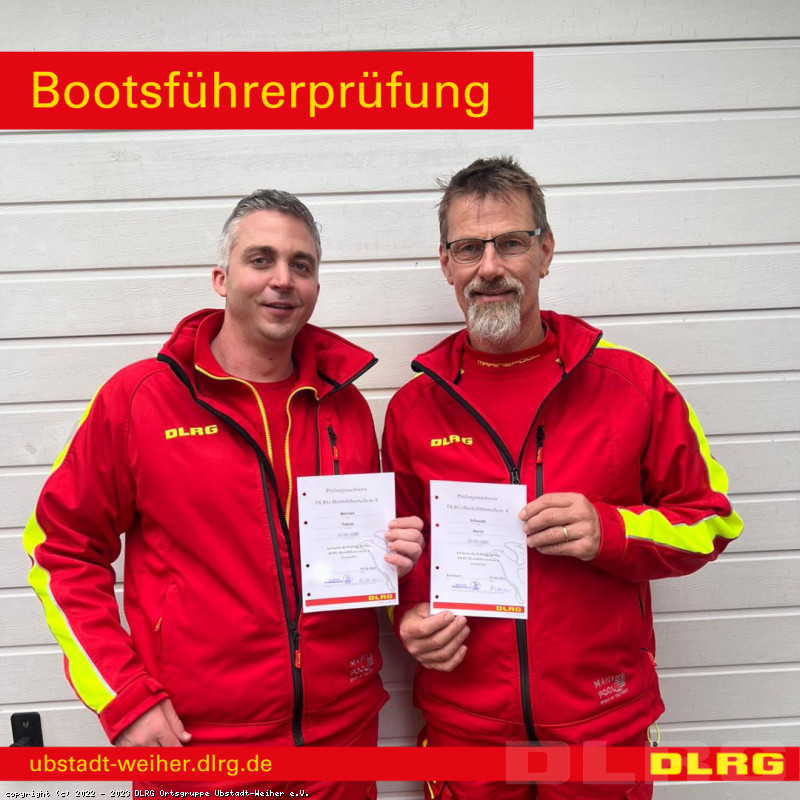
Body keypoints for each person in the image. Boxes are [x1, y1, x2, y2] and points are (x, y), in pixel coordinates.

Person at [24, 189, 423, 799]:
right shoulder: (140, 400)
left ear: (316, 286)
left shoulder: (343, 404)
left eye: (301, 264)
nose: (282, 279)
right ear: (221, 278)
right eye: (261, 259)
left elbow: (359, 560)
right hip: (200, 747)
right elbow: (59, 550)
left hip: (340, 739)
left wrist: (398, 557)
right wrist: (123, 697)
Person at [382, 157, 743, 799]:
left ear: (545, 251)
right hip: (468, 731)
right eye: (468, 248)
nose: (489, 267)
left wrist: (612, 530)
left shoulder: (632, 385)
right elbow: (402, 553)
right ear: (446, 263)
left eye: (510, 243)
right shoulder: (414, 408)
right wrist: (409, 615)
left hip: (601, 724)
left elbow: (712, 522)